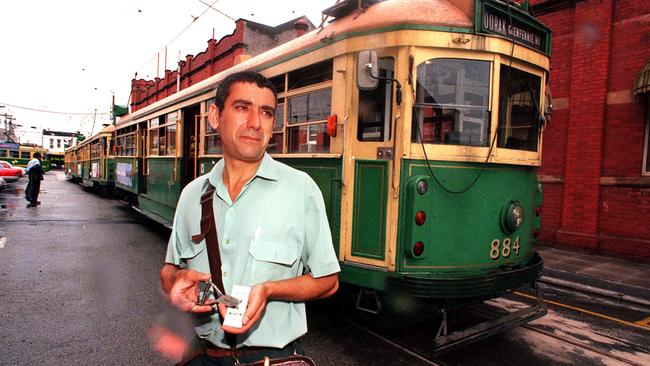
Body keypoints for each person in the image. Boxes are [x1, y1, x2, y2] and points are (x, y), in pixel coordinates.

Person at [160, 71, 340, 365]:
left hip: (273, 358)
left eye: (266, 113)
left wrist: (269, 290)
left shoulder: (301, 189)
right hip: (201, 355)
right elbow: (169, 270)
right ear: (215, 116)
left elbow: (328, 281)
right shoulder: (192, 194)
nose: (256, 123)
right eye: (243, 108)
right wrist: (176, 282)